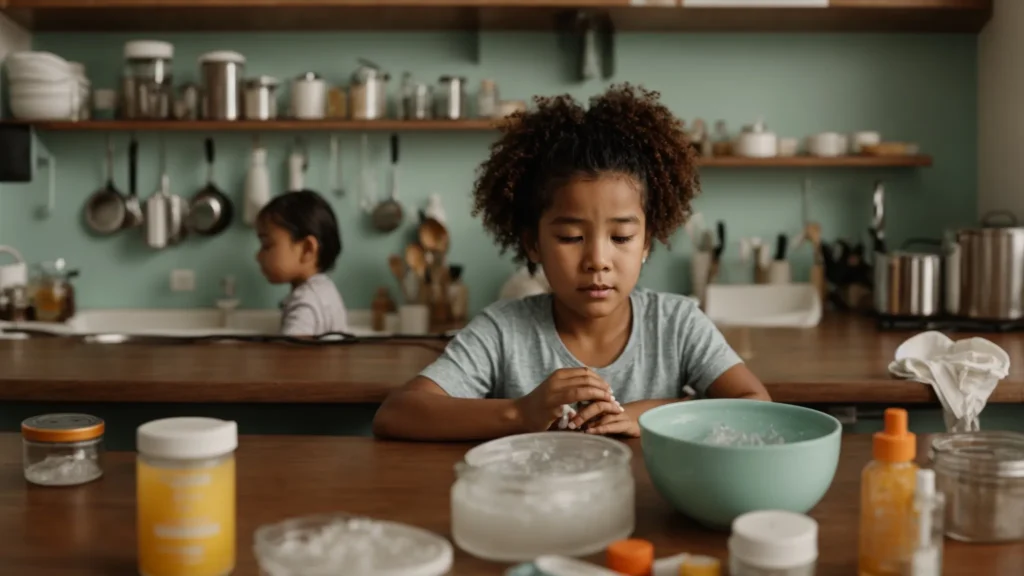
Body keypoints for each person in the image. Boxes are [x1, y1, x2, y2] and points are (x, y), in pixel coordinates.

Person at [373, 84, 770, 442]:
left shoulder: (678, 325)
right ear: (533, 244)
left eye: (621, 238)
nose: (597, 261)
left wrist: (650, 415)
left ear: (646, 243)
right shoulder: (503, 331)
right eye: (570, 238)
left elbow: (755, 405)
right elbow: (398, 414)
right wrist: (520, 412)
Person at [255, 190, 348, 336]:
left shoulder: (305, 302)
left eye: (266, 245)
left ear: (307, 249)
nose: (258, 256)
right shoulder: (325, 289)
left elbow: (292, 350)